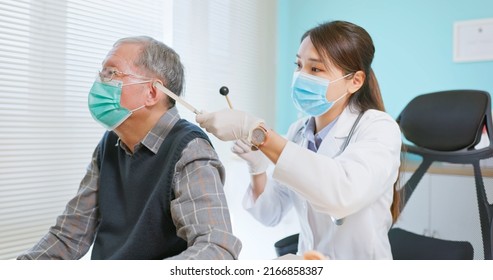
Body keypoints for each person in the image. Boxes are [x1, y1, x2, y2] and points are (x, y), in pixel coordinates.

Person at [17, 36, 241, 260]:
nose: (100, 82)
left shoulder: (189, 149)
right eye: (102, 73)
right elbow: (68, 237)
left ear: (152, 92)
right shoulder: (110, 144)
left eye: (111, 73)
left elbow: (217, 249)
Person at [196, 20, 402, 259]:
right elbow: (270, 214)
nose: (300, 76)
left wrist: (257, 133)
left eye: (315, 69)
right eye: (299, 65)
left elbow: (340, 196)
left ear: (355, 80)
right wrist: (257, 169)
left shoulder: (379, 128)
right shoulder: (298, 131)